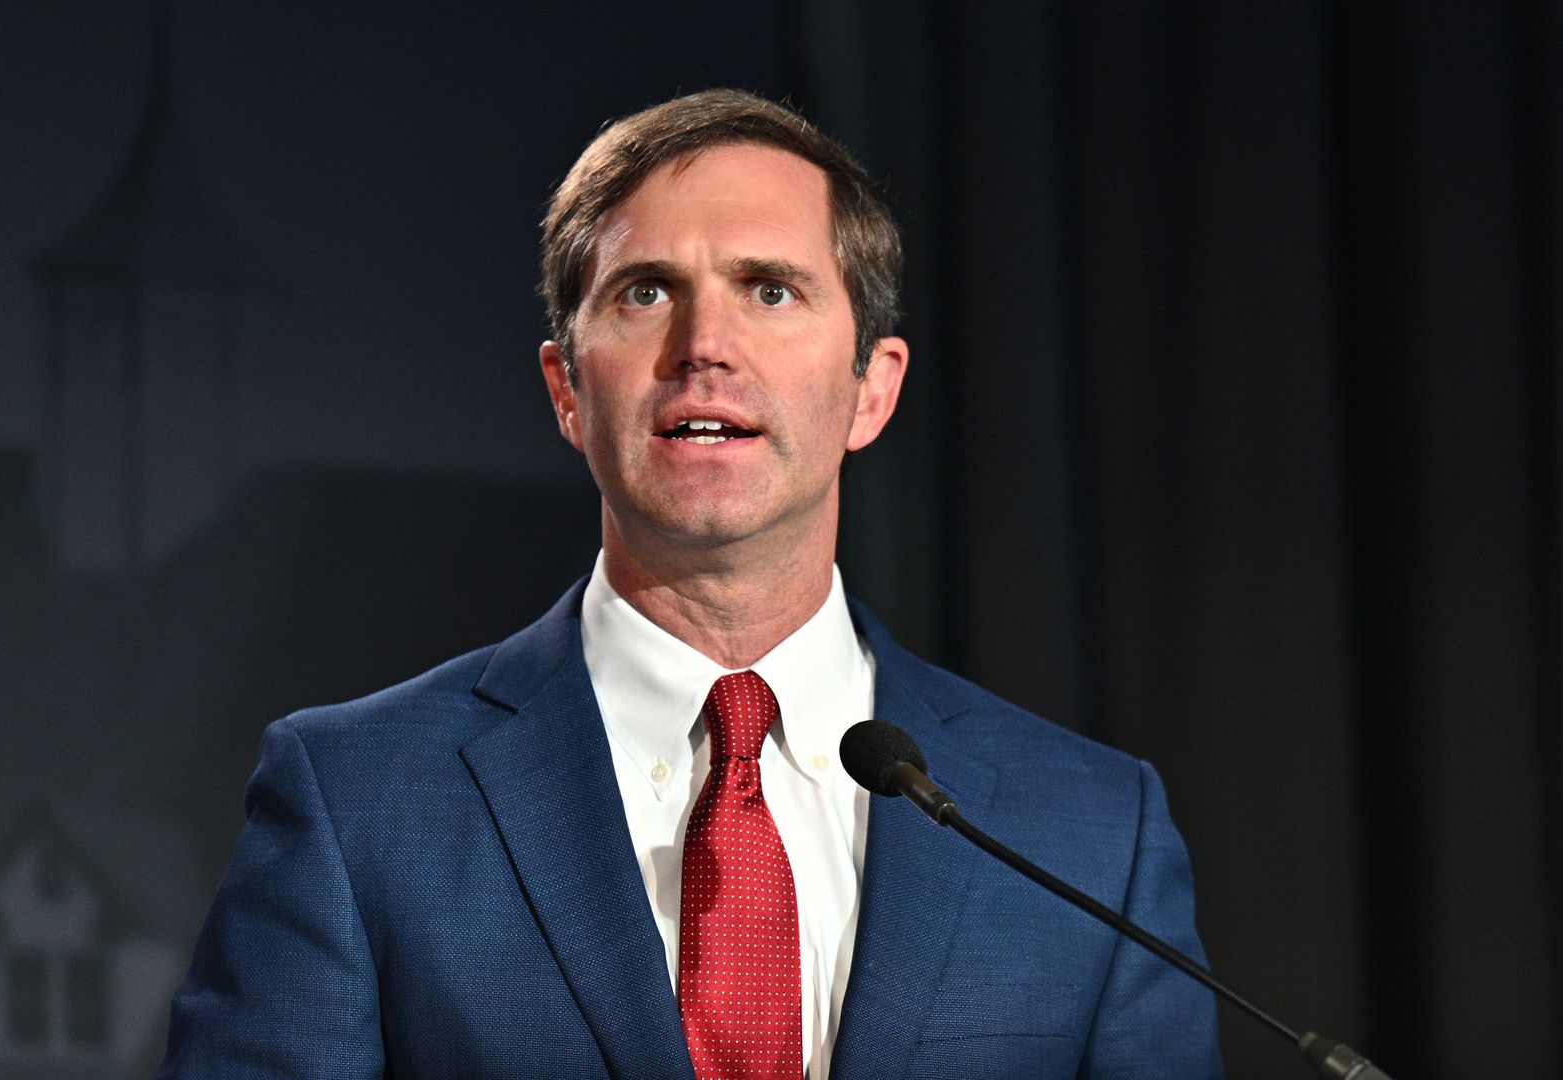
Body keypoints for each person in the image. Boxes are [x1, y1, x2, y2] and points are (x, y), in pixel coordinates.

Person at [156, 89, 1223, 1079]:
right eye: (645, 291)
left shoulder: (1087, 832)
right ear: (567, 389)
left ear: (872, 389)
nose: (705, 345)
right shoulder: (357, 801)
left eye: (770, 288)